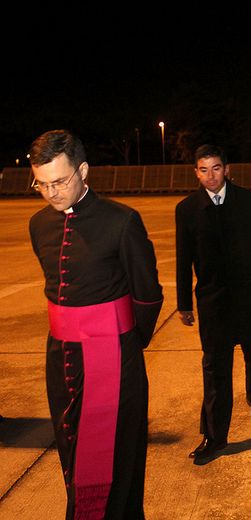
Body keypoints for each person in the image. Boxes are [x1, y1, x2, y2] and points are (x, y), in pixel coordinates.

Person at [28, 129, 163, 518]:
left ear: (83, 170)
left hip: (114, 358)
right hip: (61, 358)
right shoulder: (38, 224)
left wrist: (127, 342)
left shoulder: (122, 221)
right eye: (42, 184)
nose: (51, 193)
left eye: (59, 181)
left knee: (117, 460)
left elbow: (148, 296)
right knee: (71, 450)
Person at [176, 144, 251, 465]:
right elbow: (183, 259)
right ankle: (214, 436)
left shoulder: (248, 200)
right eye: (204, 170)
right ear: (196, 173)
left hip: (250, 297)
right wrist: (183, 303)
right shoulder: (187, 209)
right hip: (213, 303)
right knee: (215, 368)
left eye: (216, 168)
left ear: (227, 169)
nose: (210, 176)